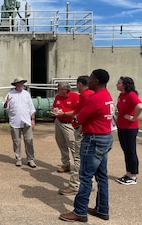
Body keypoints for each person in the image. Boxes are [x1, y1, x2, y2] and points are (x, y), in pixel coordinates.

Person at [59, 69, 114, 222]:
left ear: (96, 80)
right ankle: (102, 209)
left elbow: (78, 120)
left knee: (85, 177)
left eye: (90, 78)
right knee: (102, 176)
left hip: (93, 140)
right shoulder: (106, 95)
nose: (88, 80)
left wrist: (75, 120)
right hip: (105, 138)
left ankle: (80, 212)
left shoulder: (94, 99)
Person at [58, 76, 94, 195]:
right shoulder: (92, 94)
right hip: (85, 129)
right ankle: (88, 183)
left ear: (80, 84)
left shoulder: (85, 95)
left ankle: (74, 186)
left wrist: (79, 124)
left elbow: (85, 113)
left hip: (80, 129)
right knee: (87, 158)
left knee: (78, 157)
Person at [2, 77, 37, 168]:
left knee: (29, 140)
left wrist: (33, 119)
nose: (21, 85)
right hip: (15, 121)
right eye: (19, 83)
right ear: (15, 84)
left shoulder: (26, 94)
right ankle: (18, 158)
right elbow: (4, 107)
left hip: (26, 120)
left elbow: (31, 108)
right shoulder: (10, 94)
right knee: (16, 141)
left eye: (22, 83)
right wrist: (7, 102)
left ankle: (30, 159)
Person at [115, 76, 142, 185]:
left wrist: (133, 117)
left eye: (119, 83)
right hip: (121, 126)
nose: (117, 85)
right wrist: (119, 113)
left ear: (125, 85)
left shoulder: (131, 95)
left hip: (130, 128)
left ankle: (133, 176)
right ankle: (128, 173)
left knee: (131, 151)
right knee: (126, 150)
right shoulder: (121, 95)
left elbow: (140, 106)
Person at [51, 82, 79, 173]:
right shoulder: (57, 97)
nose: (57, 90)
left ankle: (78, 166)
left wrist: (64, 113)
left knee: (73, 145)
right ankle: (66, 164)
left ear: (64, 90)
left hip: (69, 124)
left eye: (58, 89)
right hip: (58, 122)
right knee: (61, 143)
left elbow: (77, 111)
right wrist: (54, 110)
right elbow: (54, 107)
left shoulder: (75, 96)